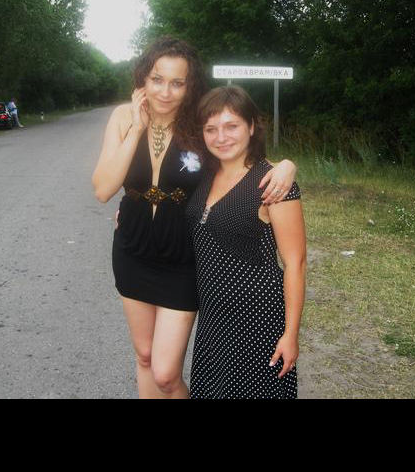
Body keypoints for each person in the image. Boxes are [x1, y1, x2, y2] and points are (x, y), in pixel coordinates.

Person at [92, 36, 298, 399]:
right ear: (143, 78)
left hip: (182, 257)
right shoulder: (123, 117)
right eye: (157, 79)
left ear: (190, 86)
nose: (165, 92)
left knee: (166, 373)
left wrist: (287, 165)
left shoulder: (197, 124)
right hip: (132, 250)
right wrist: (137, 128)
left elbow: (239, 154)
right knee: (144, 356)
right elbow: (103, 189)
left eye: (177, 82)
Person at [186, 85, 307, 399]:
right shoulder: (203, 174)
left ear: (252, 126)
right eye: (211, 129)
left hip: (258, 319)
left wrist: (291, 334)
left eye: (232, 126)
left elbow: (295, 263)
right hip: (213, 318)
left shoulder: (273, 182)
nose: (221, 137)